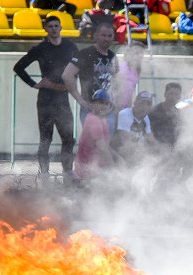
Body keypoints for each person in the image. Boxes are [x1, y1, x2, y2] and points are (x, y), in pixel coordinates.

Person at [13, 14, 78, 180]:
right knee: (45, 139)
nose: (54, 29)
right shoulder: (40, 48)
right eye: (51, 26)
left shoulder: (70, 46)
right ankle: (44, 174)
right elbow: (19, 67)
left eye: (56, 26)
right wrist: (34, 84)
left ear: (61, 27)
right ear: (45, 29)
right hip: (46, 99)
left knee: (68, 138)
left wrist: (71, 83)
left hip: (63, 98)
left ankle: (67, 173)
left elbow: (80, 66)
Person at [62, 22, 118, 119]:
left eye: (110, 36)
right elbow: (67, 75)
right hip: (90, 109)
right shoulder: (85, 53)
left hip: (108, 110)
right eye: (103, 35)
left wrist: (114, 101)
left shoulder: (113, 56)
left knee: (108, 135)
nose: (106, 39)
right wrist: (81, 101)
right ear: (96, 35)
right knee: (93, 134)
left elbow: (116, 81)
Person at [74, 88, 115, 180]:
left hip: (95, 169)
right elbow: (102, 148)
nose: (103, 106)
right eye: (100, 102)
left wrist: (119, 159)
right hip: (86, 173)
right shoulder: (93, 120)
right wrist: (114, 169)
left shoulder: (102, 120)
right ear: (93, 104)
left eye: (106, 103)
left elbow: (107, 146)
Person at [112, 90, 154, 158]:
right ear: (135, 103)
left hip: (134, 154)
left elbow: (151, 139)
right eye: (141, 103)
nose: (144, 107)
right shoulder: (125, 114)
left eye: (148, 104)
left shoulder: (146, 118)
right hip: (118, 156)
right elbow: (126, 142)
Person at [148, 81, 182, 147]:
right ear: (165, 94)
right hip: (154, 149)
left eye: (176, 94)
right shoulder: (153, 112)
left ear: (179, 97)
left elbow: (180, 134)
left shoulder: (179, 115)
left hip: (172, 151)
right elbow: (147, 132)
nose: (173, 97)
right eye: (171, 94)